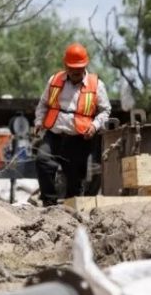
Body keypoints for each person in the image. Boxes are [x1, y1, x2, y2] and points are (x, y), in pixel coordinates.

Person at [34, 43, 111, 206]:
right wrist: (39, 122)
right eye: (72, 68)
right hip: (54, 134)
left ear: (85, 65)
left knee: (74, 176)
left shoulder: (96, 85)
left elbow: (105, 111)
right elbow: (43, 104)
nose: (76, 72)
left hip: (79, 139)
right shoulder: (54, 80)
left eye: (79, 68)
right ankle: (49, 202)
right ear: (65, 65)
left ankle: (71, 209)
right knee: (43, 160)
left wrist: (95, 126)